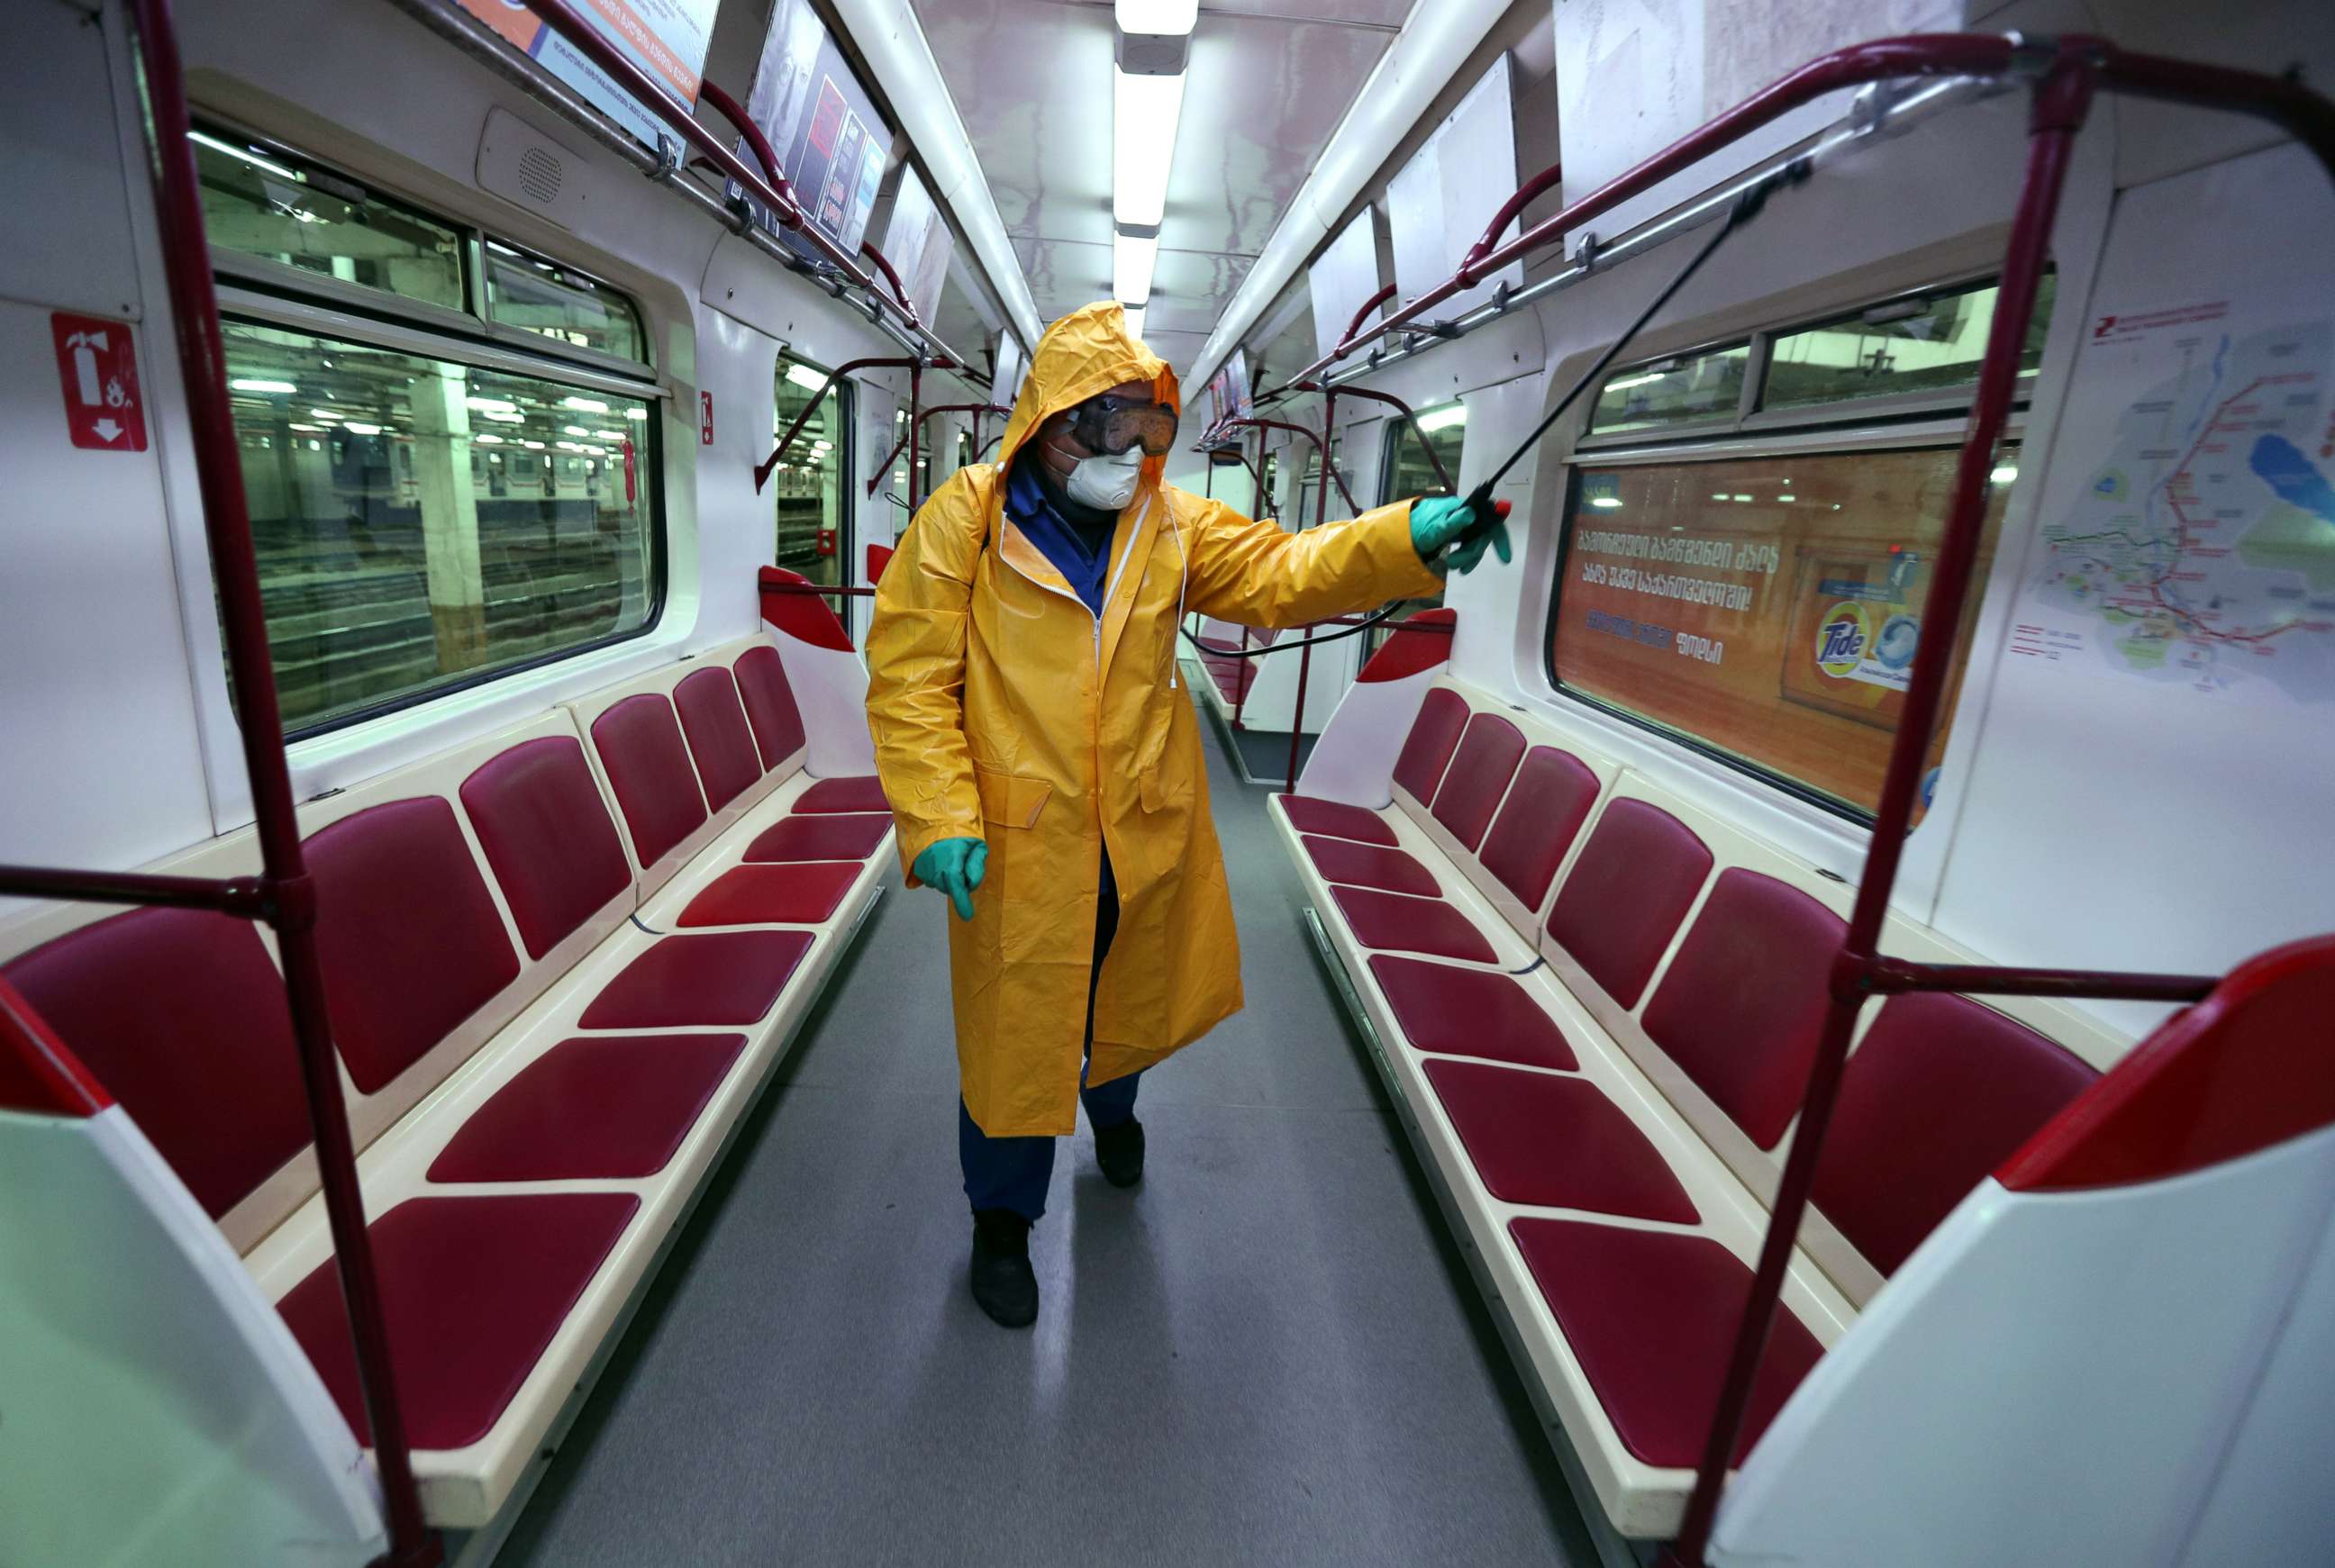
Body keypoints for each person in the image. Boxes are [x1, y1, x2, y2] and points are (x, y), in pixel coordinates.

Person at [864, 302, 1509, 1328]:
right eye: (1114, 426)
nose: (1134, 450)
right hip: (1018, 842)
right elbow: (909, 681)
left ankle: (1113, 1108)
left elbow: (1281, 572)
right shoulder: (967, 521)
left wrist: (1405, 539)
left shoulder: (1167, 522)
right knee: (1016, 1033)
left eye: (1148, 426)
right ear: (1052, 425)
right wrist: (940, 815)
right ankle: (1001, 1223)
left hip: (1140, 826)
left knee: (1124, 1003)